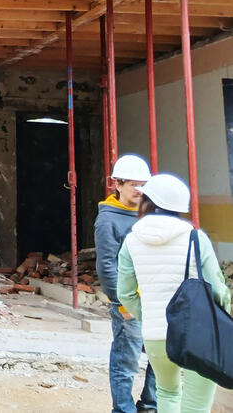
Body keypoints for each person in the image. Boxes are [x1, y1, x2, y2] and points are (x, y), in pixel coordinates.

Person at [117, 173, 231, 413]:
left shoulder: (131, 240)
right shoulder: (195, 238)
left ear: (148, 202)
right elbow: (218, 290)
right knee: (196, 404)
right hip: (197, 332)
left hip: (155, 335)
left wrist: (148, 315)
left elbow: (125, 293)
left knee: (167, 393)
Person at [94, 154, 157, 413]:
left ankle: (150, 405)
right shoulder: (108, 220)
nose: (139, 190)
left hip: (154, 300)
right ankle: (123, 409)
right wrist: (122, 302)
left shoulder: (149, 215)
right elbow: (107, 266)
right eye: (133, 184)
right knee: (126, 360)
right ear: (117, 184)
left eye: (143, 184)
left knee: (160, 356)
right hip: (128, 304)